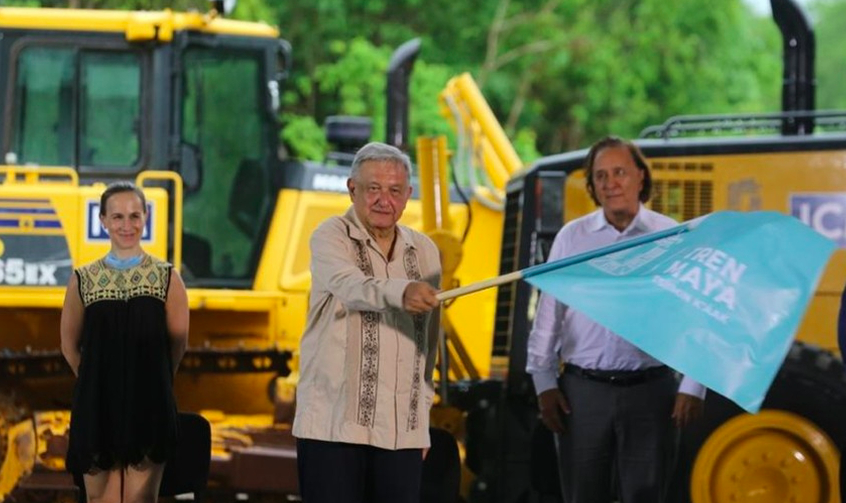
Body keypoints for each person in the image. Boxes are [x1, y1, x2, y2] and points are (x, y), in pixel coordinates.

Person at [527, 136, 706, 503]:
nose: (611, 183)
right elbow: (549, 314)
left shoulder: (671, 236)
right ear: (592, 186)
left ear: (641, 177)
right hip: (582, 395)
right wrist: (543, 382)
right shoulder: (572, 238)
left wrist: (693, 386)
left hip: (652, 394)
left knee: (648, 495)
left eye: (620, 172)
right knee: (582, 495)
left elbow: (695, 313)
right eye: (601, 176)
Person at [292, 142, 442, 503]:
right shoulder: (330, 235)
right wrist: (403, 293)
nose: (383, 200)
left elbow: (428, 343)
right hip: (332, 428)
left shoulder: (425, 251)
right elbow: (351, 287)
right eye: (373, 188)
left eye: (394, 191)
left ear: (407, 196)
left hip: (401, 432)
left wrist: (421, 420)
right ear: (352, 189)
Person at [61, 182, 189, 503]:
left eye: (134, 215)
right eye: (117, 216)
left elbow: (177, 344)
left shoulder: (167, 278)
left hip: (150, 404)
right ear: (103, 220)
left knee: (139, 500)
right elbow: (69, 345)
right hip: (97, 407)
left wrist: (156, 383)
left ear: (146, 217)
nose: (127, 225)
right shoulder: (83, 279)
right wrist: (94, 383)